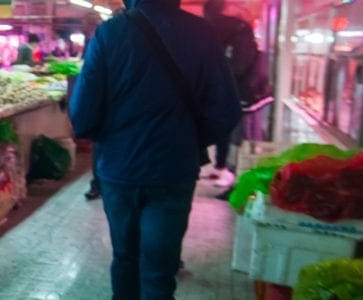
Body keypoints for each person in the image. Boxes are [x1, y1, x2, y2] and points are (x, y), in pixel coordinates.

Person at [68, 0, 241, 298]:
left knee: (125, 258)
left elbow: (82, 116)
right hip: (174, 171)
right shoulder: (201, 32)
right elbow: (226, 109)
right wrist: (190, 140)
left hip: (120, 171)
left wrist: (110, 138)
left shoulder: (110, 33)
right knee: (160, 271)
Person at [203, 0, 269, 187]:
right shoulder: (239, 29)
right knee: (237, 133)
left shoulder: (213, 28)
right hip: (242, 92)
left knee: (230, 132)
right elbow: (240, 64)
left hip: (231, 91)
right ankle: (230, 173)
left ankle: (228, 171)